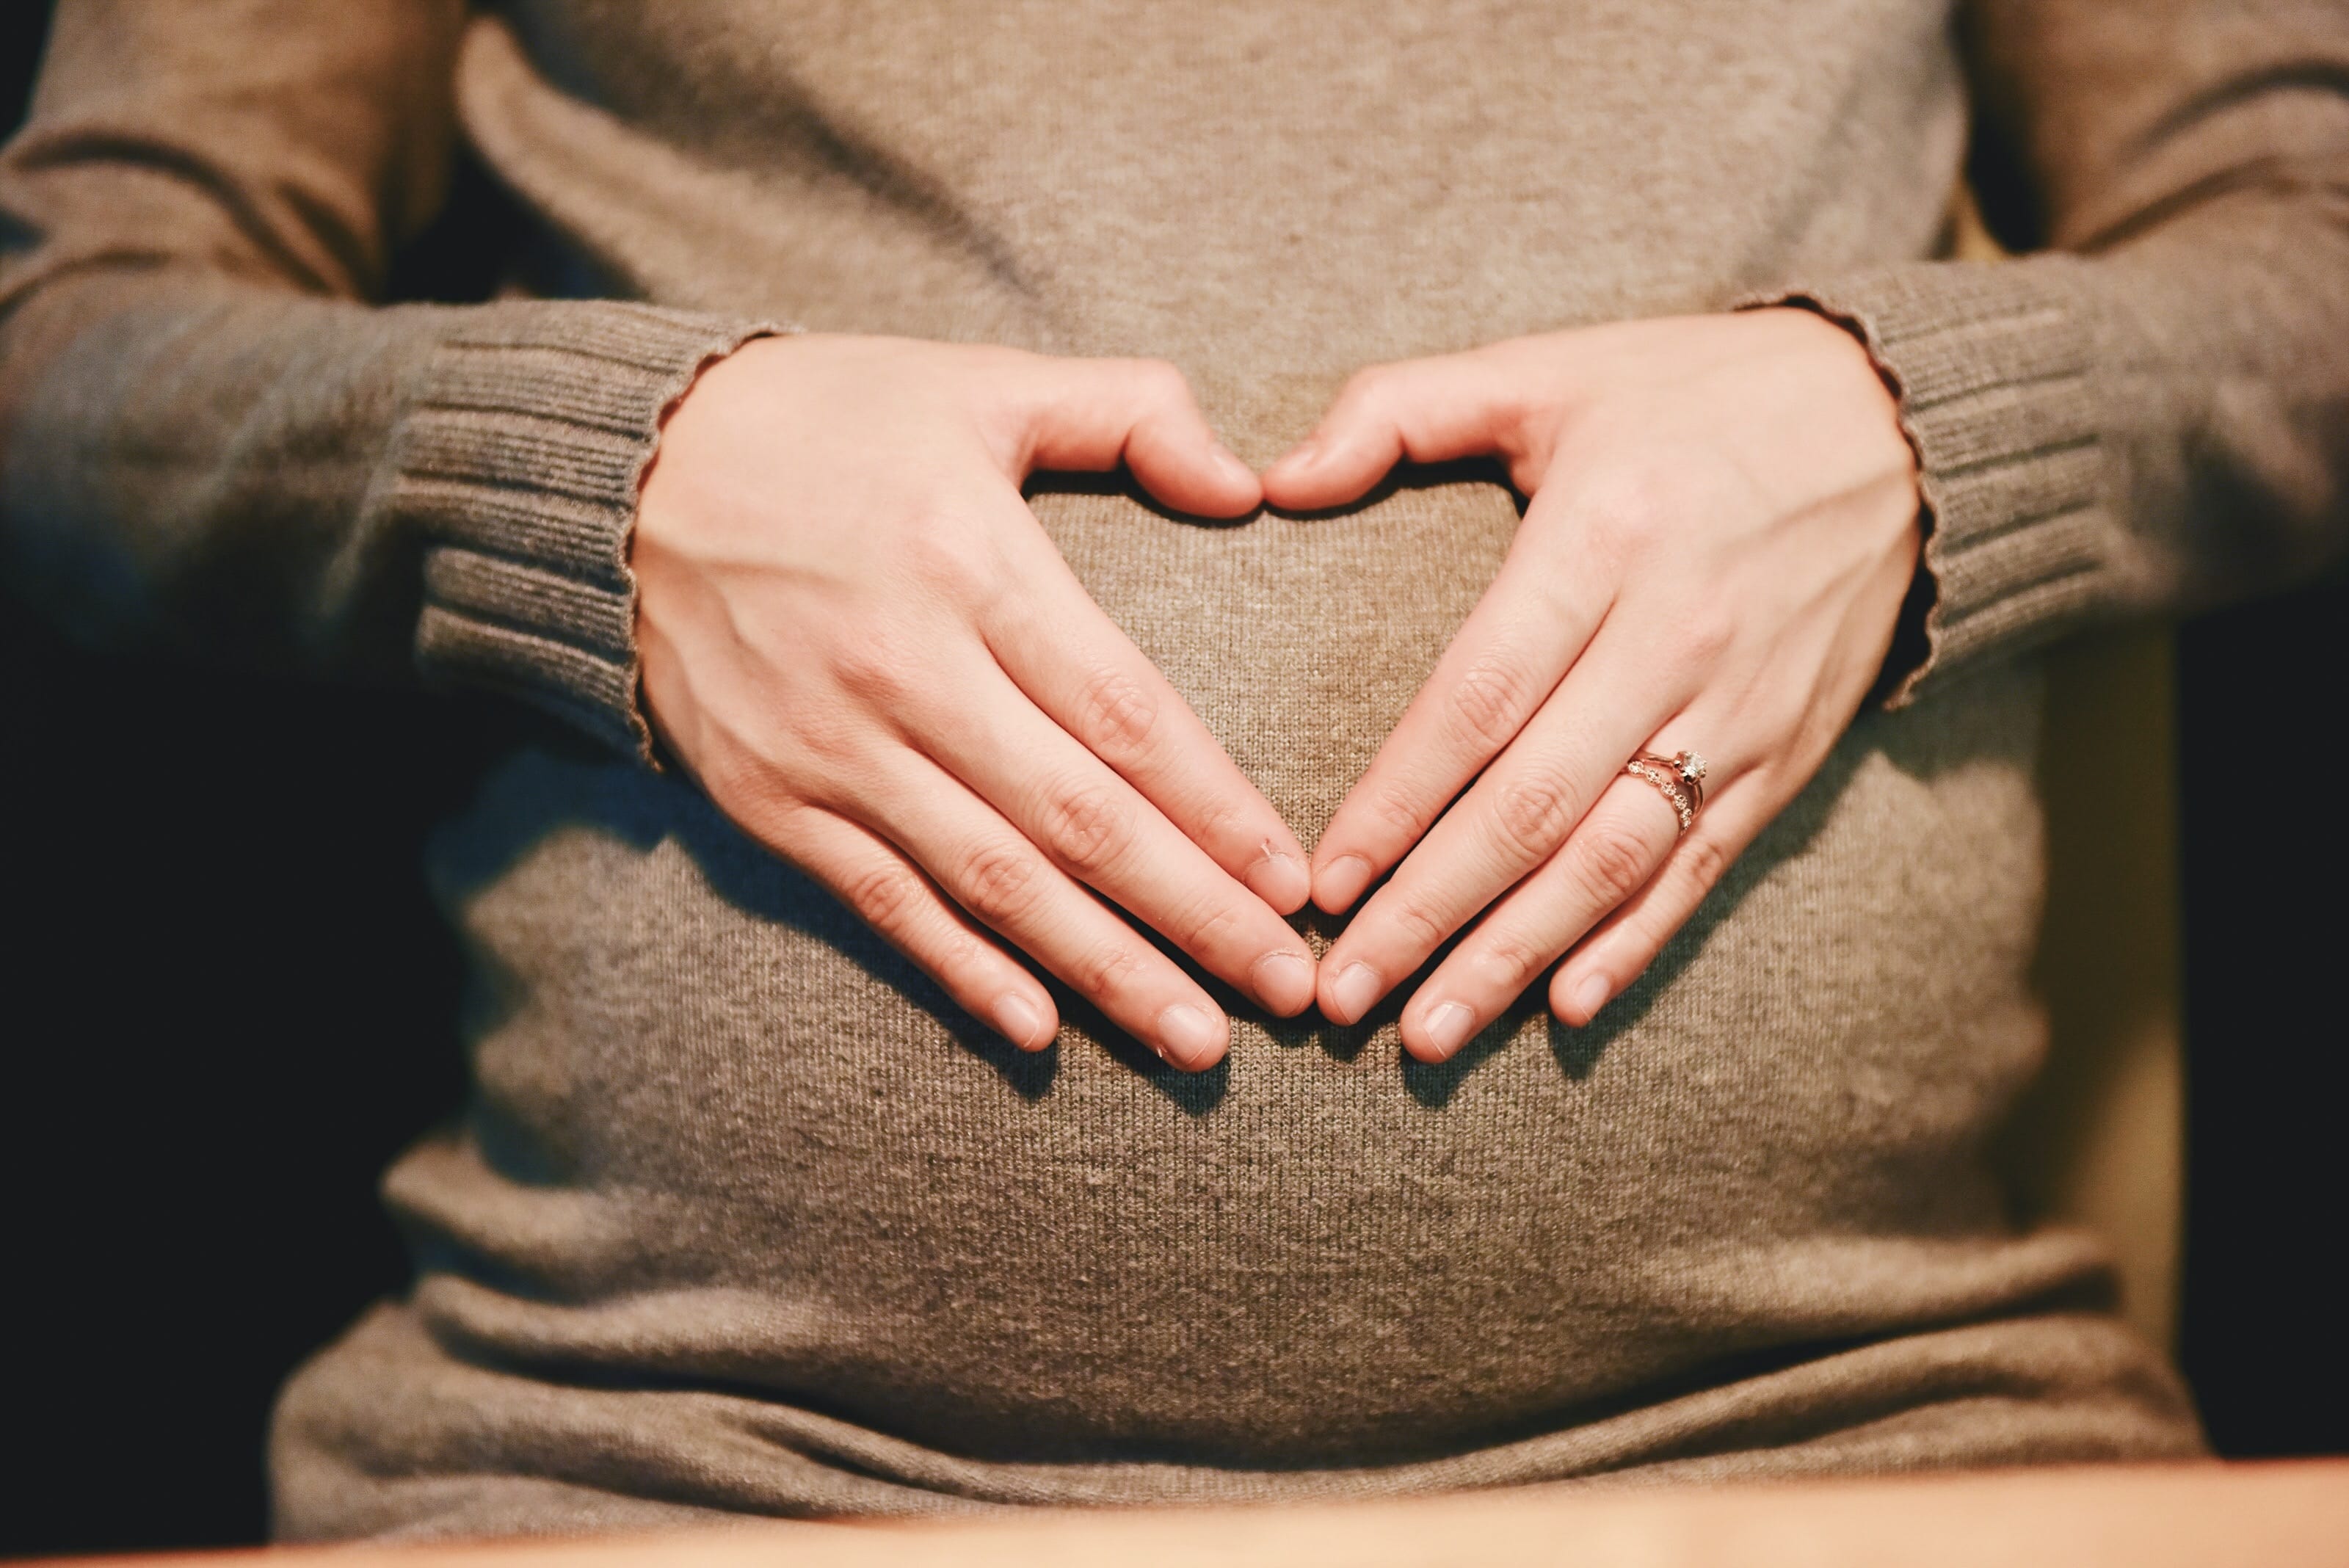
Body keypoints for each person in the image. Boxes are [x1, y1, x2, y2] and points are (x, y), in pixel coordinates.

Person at [1, 0, 2342, 1542]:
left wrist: (1919, 431)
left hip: (1850, 1451)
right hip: (666, 1472)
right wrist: (591, 478)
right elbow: (67, 360)